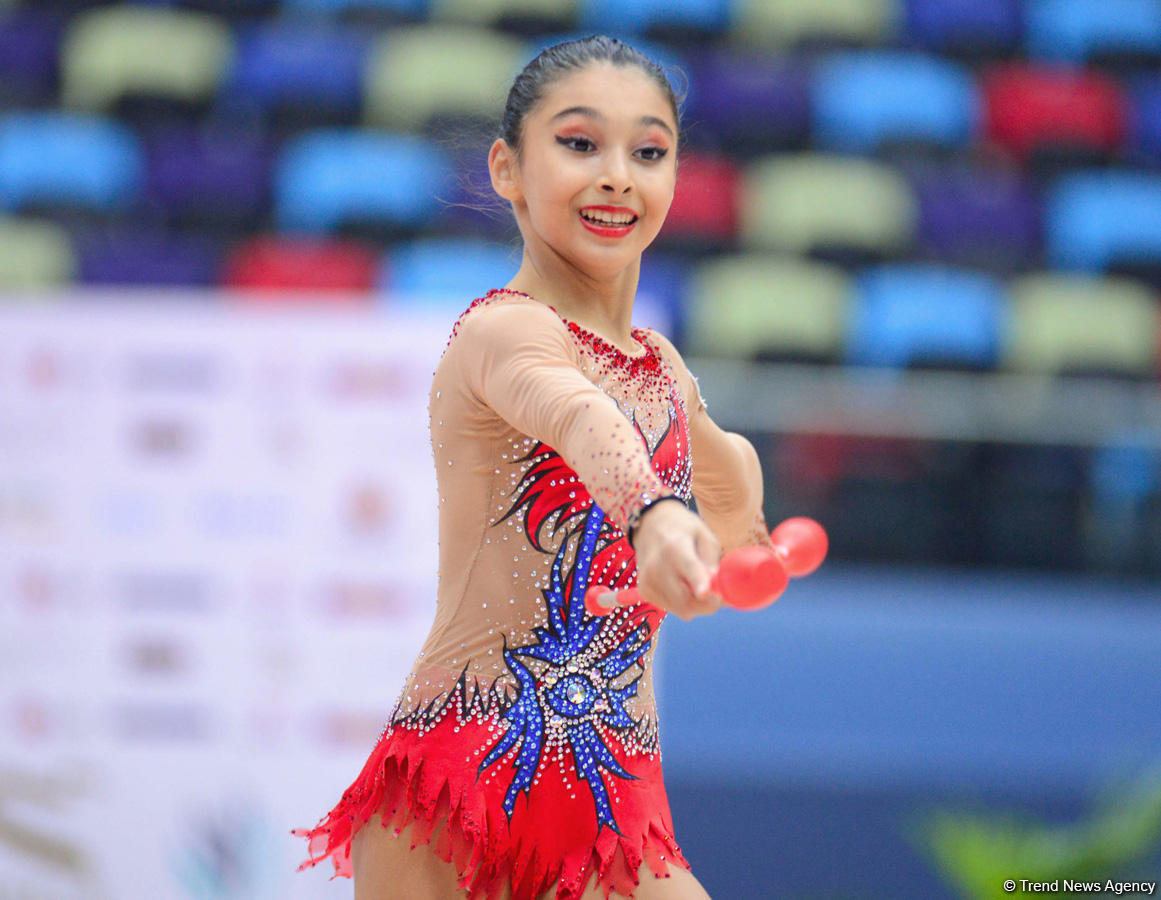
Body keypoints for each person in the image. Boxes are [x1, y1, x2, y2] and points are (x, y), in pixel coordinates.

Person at [291, 35, 776, 900]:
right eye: (580, 144)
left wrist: (744, 554)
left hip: (615, 808)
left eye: (649, 151)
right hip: (459, 789)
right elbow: (579, 414)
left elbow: (725, 462)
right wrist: (658, 515)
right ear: (507, 169)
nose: (618, 175)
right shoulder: (503, 330)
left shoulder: (661, 364)